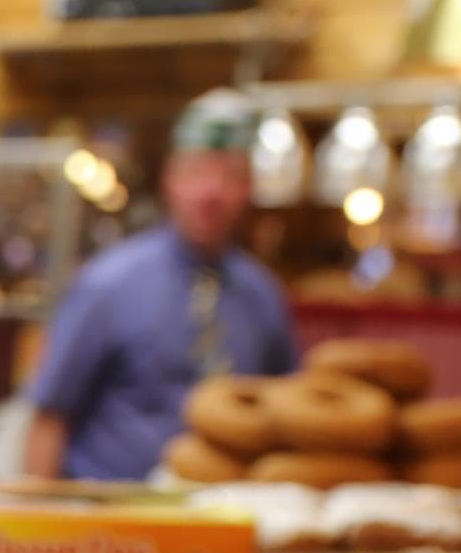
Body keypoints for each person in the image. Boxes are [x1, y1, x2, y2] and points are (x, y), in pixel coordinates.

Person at [23, 91, 298, 481]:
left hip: (225, 508)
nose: (211, 193)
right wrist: (39, 510)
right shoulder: (108, 285)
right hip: (112, 509)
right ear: (170, 180)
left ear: (250, 187)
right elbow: (49, 415)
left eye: (229, 176)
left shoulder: (262, 296)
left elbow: (286, 413)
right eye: (196, 172)